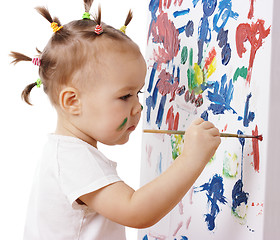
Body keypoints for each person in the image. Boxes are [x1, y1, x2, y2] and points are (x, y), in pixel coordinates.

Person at [10, 0, 221, 239]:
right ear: (72, 101)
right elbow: (136, 211)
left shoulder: (65, 153)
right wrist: (192, 158)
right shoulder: (72, 159)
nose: (138, 107)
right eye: (125, 96)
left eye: (138, 93)